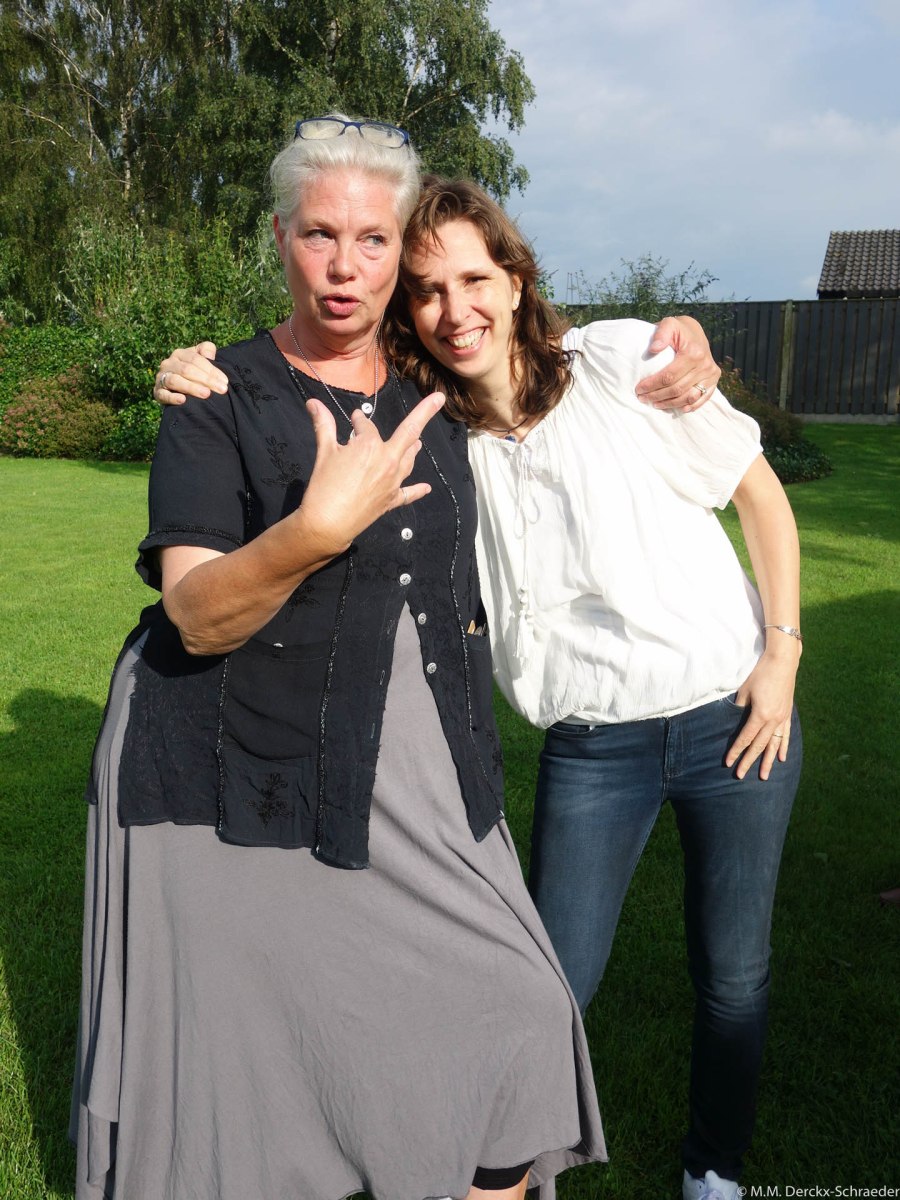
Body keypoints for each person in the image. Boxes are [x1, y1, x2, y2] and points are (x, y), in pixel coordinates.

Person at [70, 117, 611, 1200]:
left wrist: (680, 346)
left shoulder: (435, 385)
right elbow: (194, 616)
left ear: (399, 247)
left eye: (373, 239)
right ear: (281, 238)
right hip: (232, 761)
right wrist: (312, 532)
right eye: (320, 234)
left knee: (518, 1007)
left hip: (422, 756)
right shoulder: (217, 396)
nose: (345, 265)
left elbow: (553, 361)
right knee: (256, 1064)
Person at [384, 178, 803, 1200]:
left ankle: (713, 1167)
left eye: (473, 278)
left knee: (734, 973)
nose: (455, 309)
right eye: (428, 290)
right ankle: (514, 1175)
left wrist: (782, 660)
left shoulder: (618, 363)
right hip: (592, 746)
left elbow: (758, 495)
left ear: (516, 279)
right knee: (550, 983)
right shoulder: (437, 438)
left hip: (733, 718)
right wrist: (202, 368)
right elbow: (307, 374)